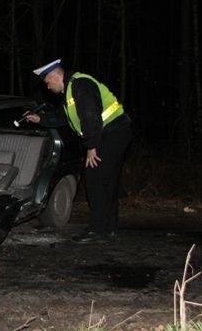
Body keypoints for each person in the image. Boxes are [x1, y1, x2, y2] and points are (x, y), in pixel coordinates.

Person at [25, 59, 131, 243]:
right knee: (107, 179)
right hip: (114, 132)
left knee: (95, 178)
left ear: (56, 77)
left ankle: (98, 231)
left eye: (48, 83)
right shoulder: (70, 93)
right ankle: (109, 227)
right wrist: (39, 118)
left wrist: (91, 146)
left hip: (111, 132)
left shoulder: (80, 85)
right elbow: (62, 117)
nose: (49, 88)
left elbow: (91, 116)